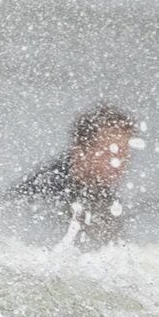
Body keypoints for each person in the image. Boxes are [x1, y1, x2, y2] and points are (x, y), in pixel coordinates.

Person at [16, 103, 141, 245]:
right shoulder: (47, 191)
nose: (118, 165)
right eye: (109, 154)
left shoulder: (104, 197)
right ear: (80, 152)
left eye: (124, 155)